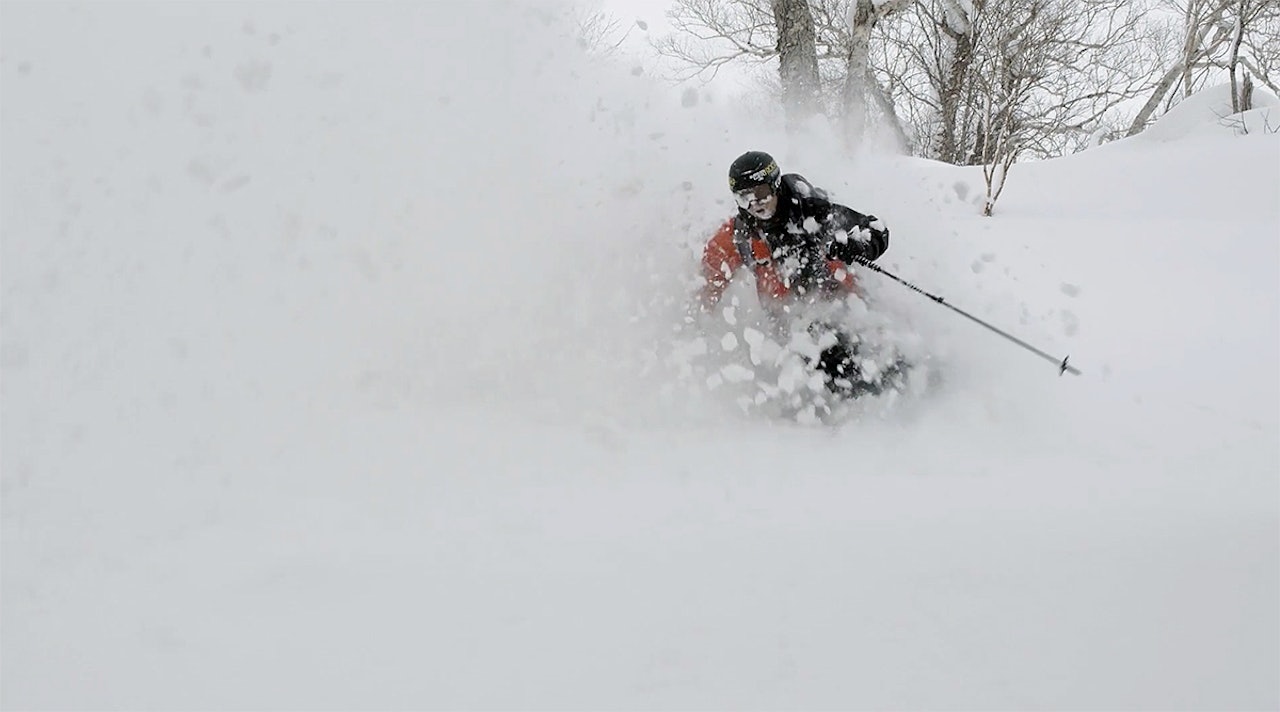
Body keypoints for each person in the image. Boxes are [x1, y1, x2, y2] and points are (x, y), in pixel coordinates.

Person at [695, 150, 895, 398]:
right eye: (744, 198)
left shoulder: (813, 211)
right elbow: (709, 277)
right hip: (789, 322)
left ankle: (896, 397)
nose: (754, 204)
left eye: (760, 194)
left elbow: (876, 230)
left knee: (869, 359)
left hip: (842, 304)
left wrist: (858, 245)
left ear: (775, 185)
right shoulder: (739, 235)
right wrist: (697, 319)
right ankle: (845, 412)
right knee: (820, 356)